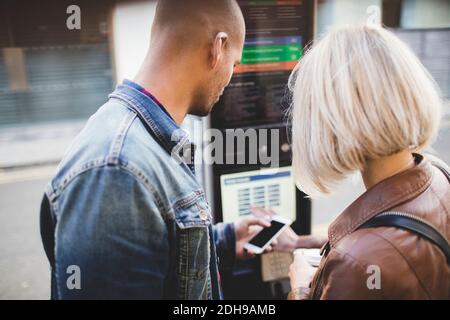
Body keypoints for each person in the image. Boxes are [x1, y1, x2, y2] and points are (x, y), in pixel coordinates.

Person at [39, 0, 286, 300]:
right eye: (235, 63)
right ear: (218, 47)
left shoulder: (145, 142)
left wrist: (223, 239)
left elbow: (158, 255)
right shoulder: (117, 170)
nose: (231, 77)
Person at [285, 25, 449, 299]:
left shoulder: (356, 264)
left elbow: (373, 254)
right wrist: (301, 243)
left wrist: (301, 288)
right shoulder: (438, 174)